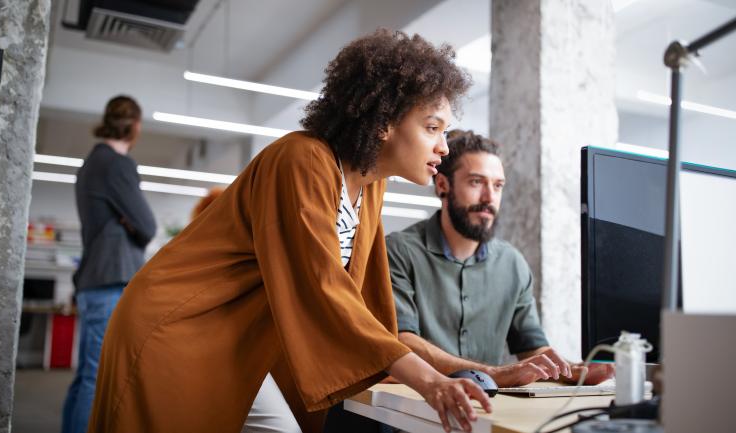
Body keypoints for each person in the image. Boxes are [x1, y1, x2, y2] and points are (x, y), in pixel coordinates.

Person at [88, 30, 491, 433]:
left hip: (236, 338)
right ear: (384, 122)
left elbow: (363, 298)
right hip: (180, 326)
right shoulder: (303, 160)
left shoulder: (370, 186)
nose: (443, 146)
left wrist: (459, 372)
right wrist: (426, 379)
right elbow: (321, 282)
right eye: (432, 127)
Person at [386, 131, 615, 388]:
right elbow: (401, 341)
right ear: (442, 185)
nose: (489, 198)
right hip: (413, 406)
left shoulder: (512, 264)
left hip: (485, 408)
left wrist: (573, 370)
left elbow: (532, 348)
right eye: (476, 182)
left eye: (497, 186)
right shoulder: (399, 251)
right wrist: (492, 374)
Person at [61, 96, 156, 433]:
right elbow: (147, 226)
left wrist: (124, 220)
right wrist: (128, 223)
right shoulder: (118, 165)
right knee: (97, 375)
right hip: (110, 281)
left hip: (92, 281)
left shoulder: (91, 163)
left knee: (86, 374)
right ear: (134, 125)